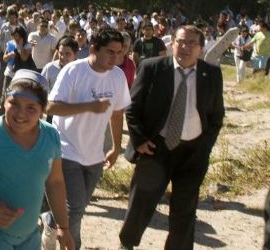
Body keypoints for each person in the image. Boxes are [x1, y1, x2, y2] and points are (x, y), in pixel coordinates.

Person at [119, 25, 225, 250]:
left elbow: (216, 116)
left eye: (191, 43)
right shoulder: (153, 67)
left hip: (193, 153)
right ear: (172, 44)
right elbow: (132, 106)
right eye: (180, 42)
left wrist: (204, 147)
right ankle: (127, 244)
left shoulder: (212, 74)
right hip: (155, 148)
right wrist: (139, 139)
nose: (185, 47)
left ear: (201, 48)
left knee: (185, 210)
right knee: (141, 203)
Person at [0, 70, 74, 250]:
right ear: (4, 101)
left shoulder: (51, 136)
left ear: (43, 110)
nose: (21, 114)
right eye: (14, 103)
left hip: (29, 238)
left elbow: (55, 182)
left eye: (31, 108)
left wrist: (63, 226)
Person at [44, 28, 131, 250]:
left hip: (94, 155)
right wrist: (89, 106)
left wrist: (116, 147)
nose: (115, 58)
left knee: (78, 206)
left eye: (119, 53)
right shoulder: (73, 71)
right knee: (75, 208)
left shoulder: (117, 76)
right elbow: (51, 107)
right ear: (93, 49)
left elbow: (117, 113)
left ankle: (51, 221)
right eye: (110, 52)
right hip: (66, 150)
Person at [0, 26, 33, 102]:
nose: (15, 38)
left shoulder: (27, 45)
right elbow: (4, 58)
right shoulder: (10, 43)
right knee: (5, 96)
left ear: (22, 36)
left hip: (21, 76)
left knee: (17, 98)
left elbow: (24, 58)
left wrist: (20, 46)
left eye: (17, 36)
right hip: (9, 74)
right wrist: (10, 55)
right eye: (14, 36)